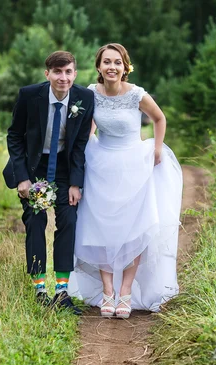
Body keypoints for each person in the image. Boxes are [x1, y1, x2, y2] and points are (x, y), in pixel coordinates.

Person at [69, 43, 182, 318]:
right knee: (102, 228)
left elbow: (159, 118)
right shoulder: (91, 94)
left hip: (133, 164)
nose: (112, 67)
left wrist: (156, 147)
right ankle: (108, 292)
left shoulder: (136, 95)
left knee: (133, 229)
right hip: (101, 166)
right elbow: (89, 127)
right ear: (98, 67)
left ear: (125, 67)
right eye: (107, 62)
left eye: (117, 62)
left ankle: (127, 292)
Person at [3, 51, 94, 315]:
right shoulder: (30, 96)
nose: (63, 77)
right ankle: (40, 289)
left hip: (65, 169)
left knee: (69, 221)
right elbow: (14, 136)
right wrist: (23, 178)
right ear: (47, 74)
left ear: (75, 74)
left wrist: (76, 182)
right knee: (35, 221)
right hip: (35, 168)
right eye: (57, 72)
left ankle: (62, 291)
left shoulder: (85, 98)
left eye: (68, 72)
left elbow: (79, 145)